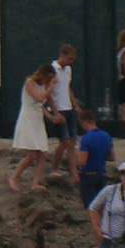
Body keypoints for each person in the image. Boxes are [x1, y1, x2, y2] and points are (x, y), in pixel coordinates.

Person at [10, 64, 57, 192]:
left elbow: (41, 105)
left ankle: (35, 183)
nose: (48, 81)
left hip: (38, 120)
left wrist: (51, 116)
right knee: (31, 154)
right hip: (28, 118)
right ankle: (14, 178)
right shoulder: (30, 82)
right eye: (48, 78)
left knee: (43, 153)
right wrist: (51, 86)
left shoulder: (43, 86)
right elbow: (39, 98)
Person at [48, 45, 81, 180]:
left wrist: (76, 105)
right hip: (58, 109)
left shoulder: (68, 70)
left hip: (68, 108)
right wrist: (55, 112)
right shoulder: (52, 70)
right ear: (62, 55)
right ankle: (55, 167)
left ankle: (73, 170)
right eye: (69, 58)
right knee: (65, 140)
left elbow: (67, 88)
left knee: (72, 141)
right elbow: (48, 93)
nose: (70, 62)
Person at [76, 107, 114, 209]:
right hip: (102, 173)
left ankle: (94, 224)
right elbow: (112, 157)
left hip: (89, 174)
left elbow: (82, 162)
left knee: (91, 207)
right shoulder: (106, 136)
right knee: (101, 206)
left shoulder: (86, 137)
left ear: (84, 122)